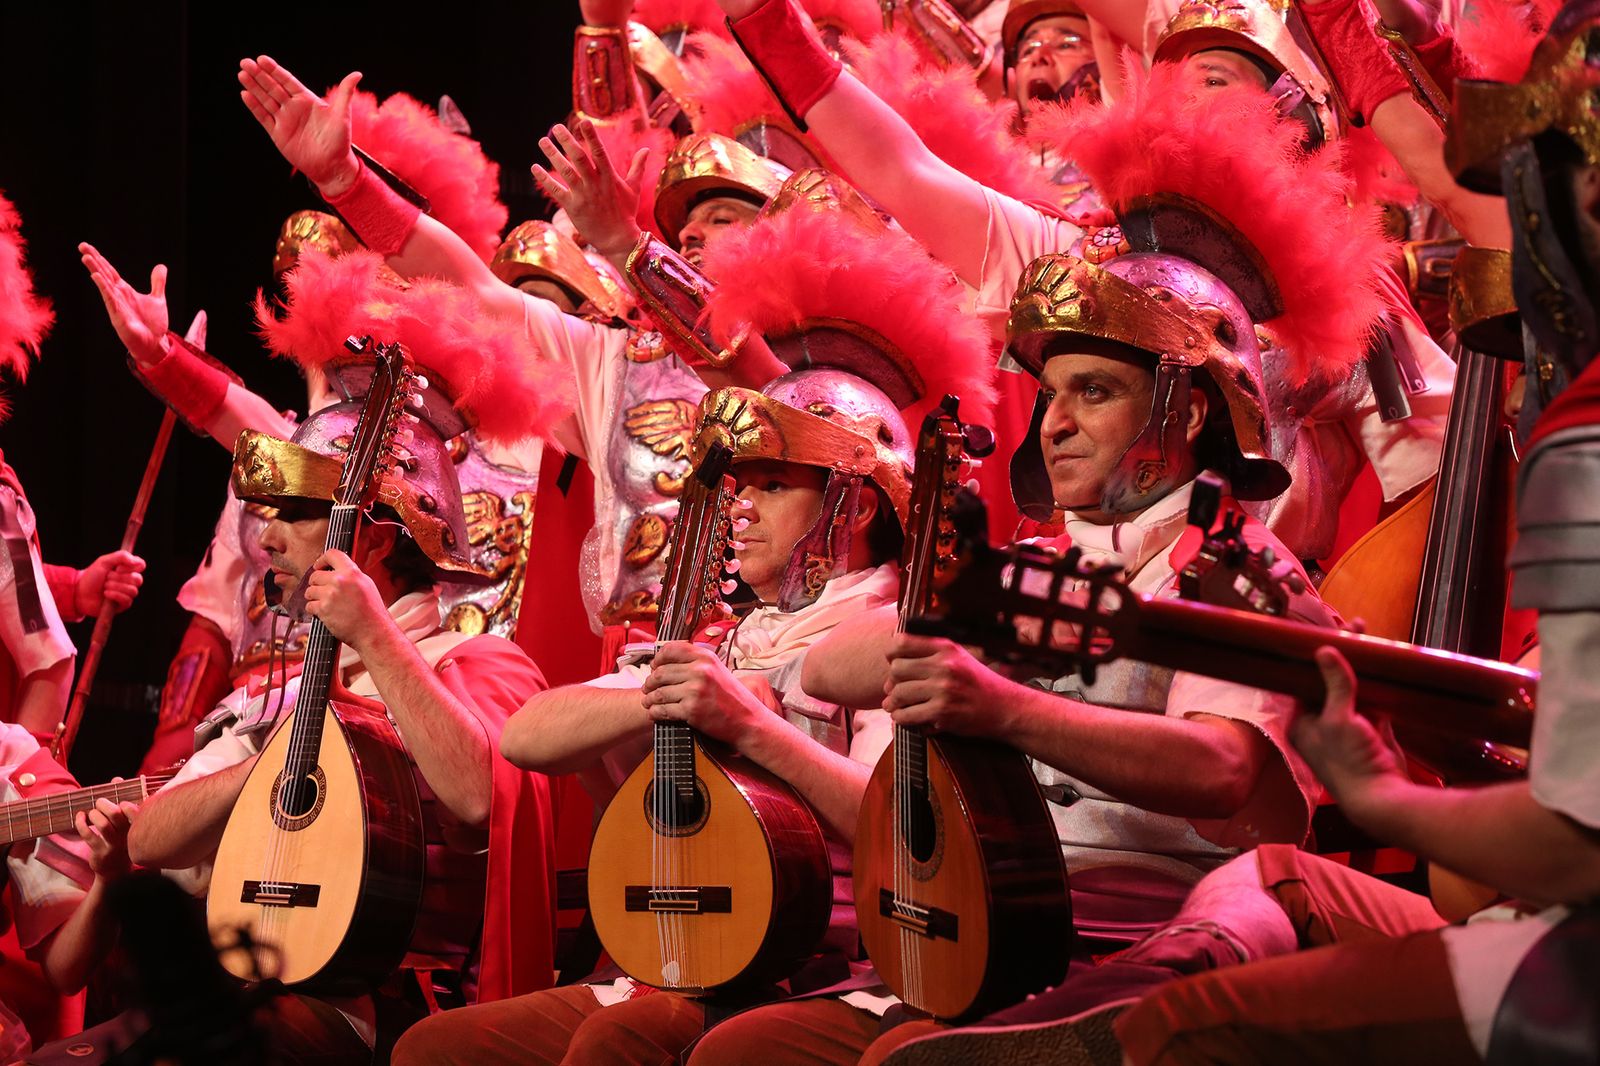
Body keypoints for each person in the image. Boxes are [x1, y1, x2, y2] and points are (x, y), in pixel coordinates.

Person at [897, 7, 1600, 1062]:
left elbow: (1563, 848)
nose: (1057, 421)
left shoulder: (1571, 430)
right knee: (1273, 884)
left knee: (1199, 1010)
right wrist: (1383, 763)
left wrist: (1385, 777)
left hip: (1555, 936)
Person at [387, 169, 996, 1066]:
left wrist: (749, 721)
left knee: (626, 1042)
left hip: (813, 961)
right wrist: (665, 697)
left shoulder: (895, 634)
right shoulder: (722, 638)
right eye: (738, 486)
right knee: (437, 1049)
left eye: (772, 486)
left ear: (857, 506)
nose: (740, 507)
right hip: (687, 950)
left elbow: (894, 826)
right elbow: (526, 737)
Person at [122, 255, 566, 1061]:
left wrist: (374, 637)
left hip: (390, 1004)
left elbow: (479, 799)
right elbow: (150, 840)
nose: (266, 538)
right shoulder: (288, 689)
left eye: (296, 513)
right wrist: (272, 762)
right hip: (260, 981)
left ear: (376, 537)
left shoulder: (479, 661)